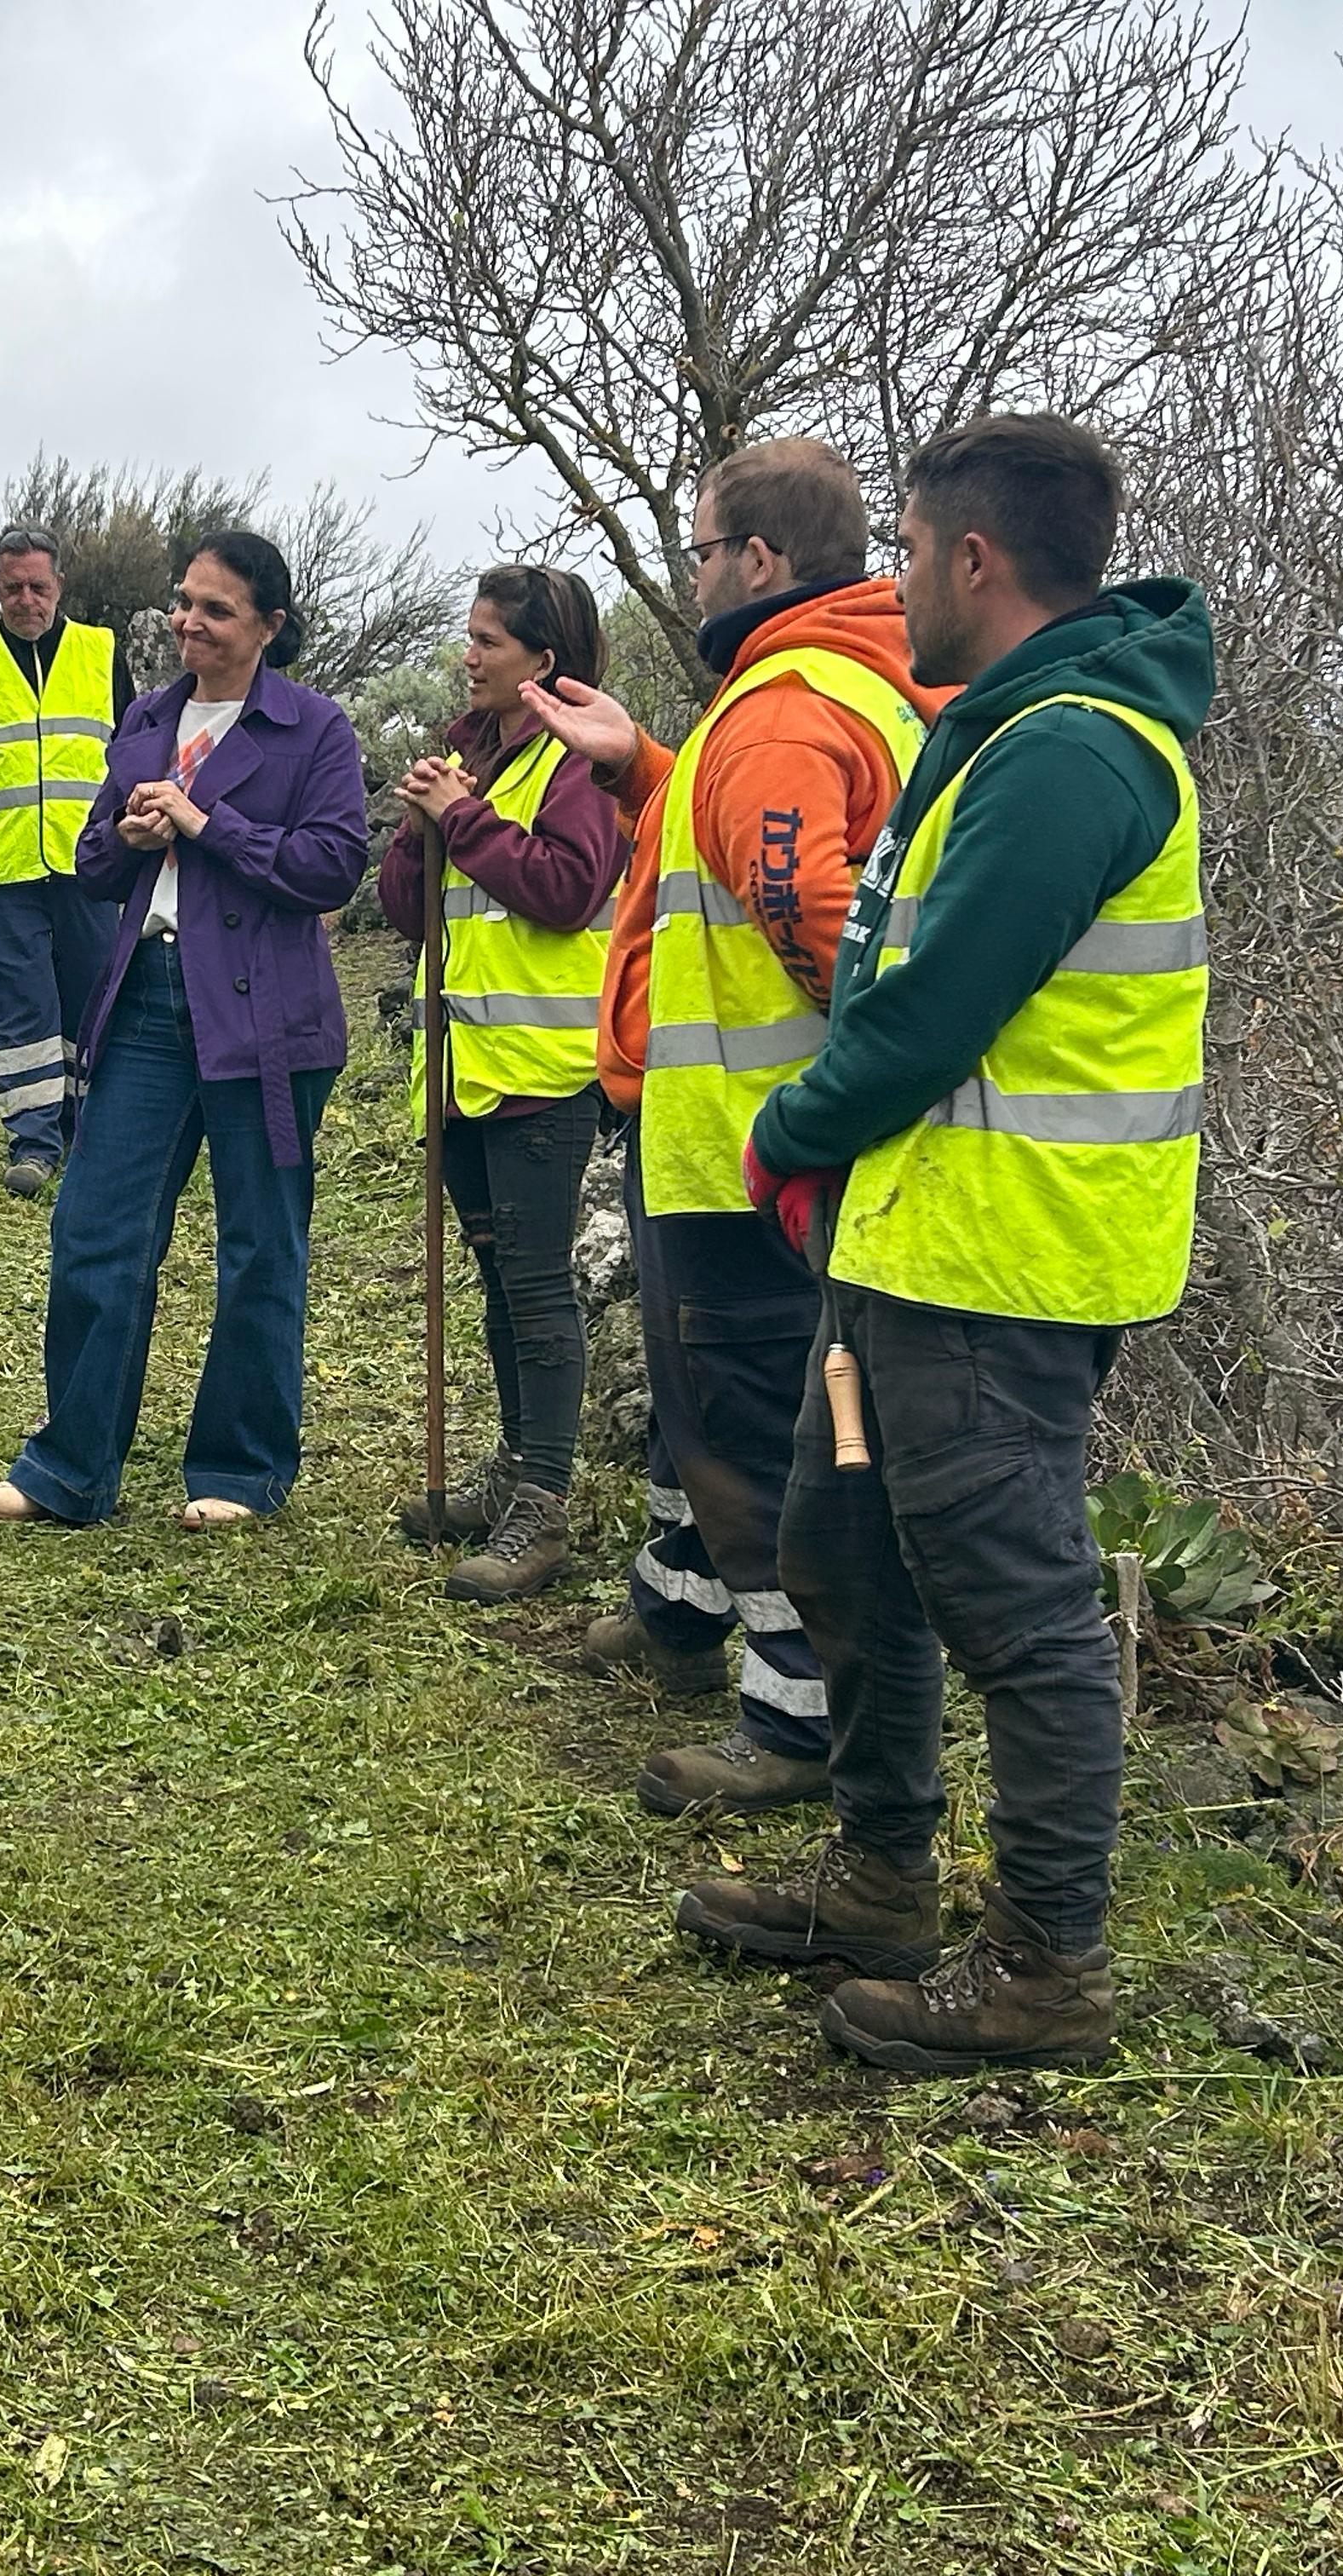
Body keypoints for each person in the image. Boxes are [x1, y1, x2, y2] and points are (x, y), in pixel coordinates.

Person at [709, 414, 1214, 2076]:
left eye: (912, 554)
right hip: (914, 1242)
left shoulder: (1073, 750)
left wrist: (790, 1130)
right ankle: (879, 1885)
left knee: (1023, 1623)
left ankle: (1045, 1975)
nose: (898, 582)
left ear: (973, 560)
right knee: (842, 1559)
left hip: (1004, 1269)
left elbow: (933, 1010)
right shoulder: (999, 731)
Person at [517, 440, 945, 1816]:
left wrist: (836, 1106)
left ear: (758, 560)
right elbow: (725, 845)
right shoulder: (833, 691)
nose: (693, 570)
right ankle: (679, 1609)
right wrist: (642, 759)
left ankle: (794, 1713)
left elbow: (809, 917)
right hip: (744, 1151)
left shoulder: (774, 709)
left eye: (702, 548)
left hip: (741, 1158)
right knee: (703, 1414)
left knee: (745, 1428)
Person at [0, 533, 370, 1527]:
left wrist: (203, 823)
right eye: (184, 602)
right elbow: (96, 864)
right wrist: (127, 837)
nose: (190, 622)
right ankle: (68, 1471)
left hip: (265, 1016)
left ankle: (239, 1472)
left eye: (216, 610)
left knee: (260, 1247)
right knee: (94, 1230)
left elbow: (332, 867)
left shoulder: (316, 729)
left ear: (270, 626)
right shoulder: (147, 716)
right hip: (144, 998)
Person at [377, 565, 628, 1601]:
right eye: (469, 637)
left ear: (545, 664)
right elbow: (406, 909)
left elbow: (570, 892)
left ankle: (547, 1506)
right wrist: (421, 825)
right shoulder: (469, 753)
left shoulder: (577, 768)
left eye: (488, 640)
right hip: (464, 1073)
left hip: (544, 1075)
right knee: (495, 1285)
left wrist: (466, 823)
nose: (468, 655)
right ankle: (516, 1470)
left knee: (536, 1293)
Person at [0, 523, 132, 1193]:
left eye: (38, 587)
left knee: (94, 999)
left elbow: (131, 750)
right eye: (13, 588)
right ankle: (33, 1143)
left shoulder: (102, 654)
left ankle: (88, 1128)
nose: (26, 600)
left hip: (90, 866)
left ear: (60, 586)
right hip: (3, 868)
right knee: (17, 1010)